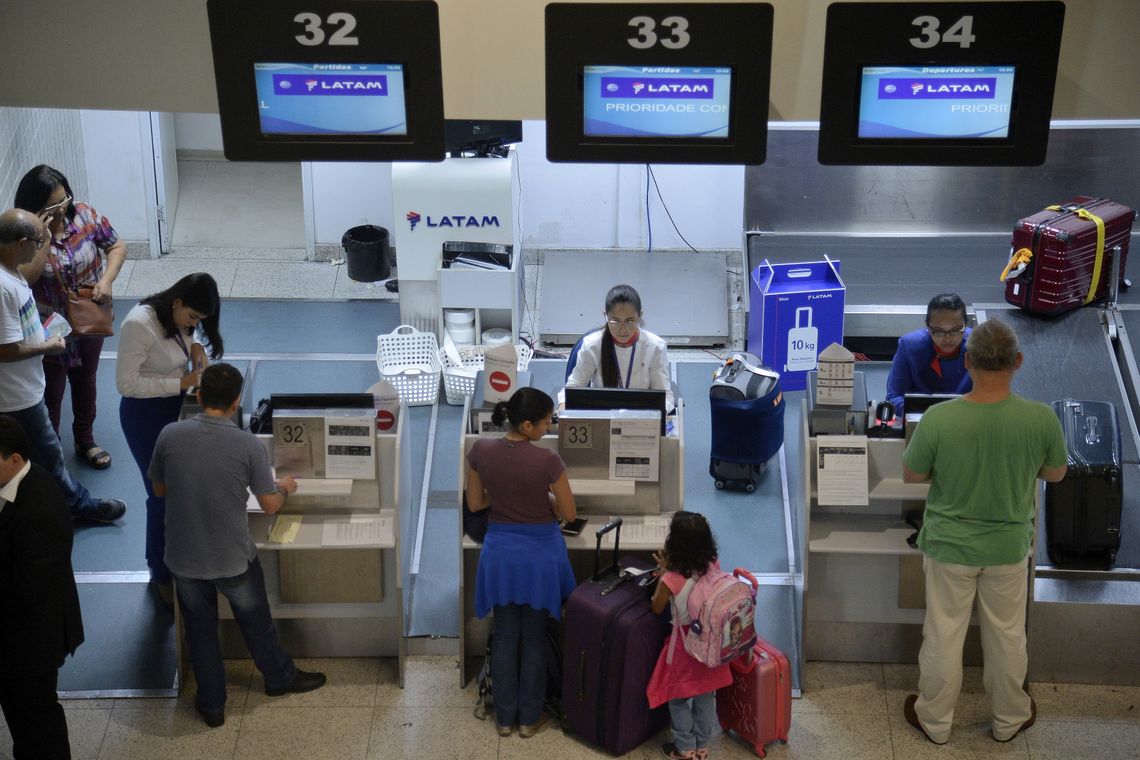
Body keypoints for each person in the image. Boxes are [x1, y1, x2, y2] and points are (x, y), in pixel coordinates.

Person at [902, 319, 1068, 745]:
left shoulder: (940, 419)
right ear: (1018, 361)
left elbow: (914, 474)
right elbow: (1056, 472)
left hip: (949, 546)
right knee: (1008, 635)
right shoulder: (1040, 418)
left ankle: (935, 722)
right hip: (1008, 547)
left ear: (968, 360)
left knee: (943, 632)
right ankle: (1009, 718)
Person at [149, 363, 325, 728]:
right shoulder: (247, 445)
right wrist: (285, 487)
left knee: (199, 630)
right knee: (256, 623)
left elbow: (159, 489)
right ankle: (278, 678)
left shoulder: (169, 434)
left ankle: (212, 705)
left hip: (183, 558)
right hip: (233, 558)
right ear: (236, 402)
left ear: (198, 396)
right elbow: (270, 505)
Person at [0, 208, 126, 523]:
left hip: (24, 388)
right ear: (20, 243)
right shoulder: (3, 287)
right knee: (51, 457)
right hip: (19, 396)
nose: (42, 247)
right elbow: (6, 349)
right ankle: (79, 508)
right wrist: (48, 346)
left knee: (40, 456)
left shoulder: (10, 271)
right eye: (38, 242)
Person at [465, 387, 576, 738]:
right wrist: (546, 501)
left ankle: (503, 718)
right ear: (527, 425)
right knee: (535, 638)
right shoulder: (548, 461)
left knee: (504, 636)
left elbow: (476, 504)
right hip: (540, 558)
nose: (548, 429)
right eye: (545, 423)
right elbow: (569, 514)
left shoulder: (480, 451)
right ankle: (529, 719)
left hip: (499, 555)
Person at [14, 165, 127, 470]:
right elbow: (26, 277)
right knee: (51, 389)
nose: (62, 208)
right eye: (53, 204)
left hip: (89, 319)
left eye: (65, 199)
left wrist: (107, 281)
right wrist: (44, 236)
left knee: (86, 380)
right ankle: (52, 450)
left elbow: (116, 246)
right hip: (49, 329)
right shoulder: (24, 233)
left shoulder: (86, 216)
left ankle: (85, 439)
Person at [117, 273, 222, 596]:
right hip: (145, 416)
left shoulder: (176, 316)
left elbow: (183, 340)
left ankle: (179, 559)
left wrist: (197, 348)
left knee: (183, 491)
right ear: (176, 302)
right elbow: (127, 384)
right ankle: (160, 575)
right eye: (192, 318)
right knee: (161, 495)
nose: (193, 324)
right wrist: (180, 382)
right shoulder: (138, 324)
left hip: (175, 409)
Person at [0, 415, 85, 760]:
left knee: (35, 719)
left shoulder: (40, 509)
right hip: (17, 632)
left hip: (29, 641)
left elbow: (27, 588)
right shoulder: (18, 485)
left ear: (15, 460)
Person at [646, 511, 733, 760]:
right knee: (706, 694)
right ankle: (703, 746)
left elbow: (657, 607)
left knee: (680, 697)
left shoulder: (671, 579)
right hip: (710, 641)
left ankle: (684, 748)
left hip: (684, 644)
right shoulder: (712, 563)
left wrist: (664, 572)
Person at [562, 284, 674, 412]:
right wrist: (563, 406)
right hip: (602, 417)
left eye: (630, 321)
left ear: (640, 315)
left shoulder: (655, 347)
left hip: (641, 418)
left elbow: (666, 397)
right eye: (615, 321)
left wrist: (652, 416)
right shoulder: (592, 345)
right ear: (605, 315)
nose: (622, 329)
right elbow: (573, 388)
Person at [886, 293, 973, 418]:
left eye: (955, 330)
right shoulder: (909, 346)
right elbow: (894, 397)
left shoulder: (979, 346)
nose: (947, 338)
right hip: (922, 422)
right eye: (938, 331)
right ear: (927, 326)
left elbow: (991, 396)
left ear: (965, 324)